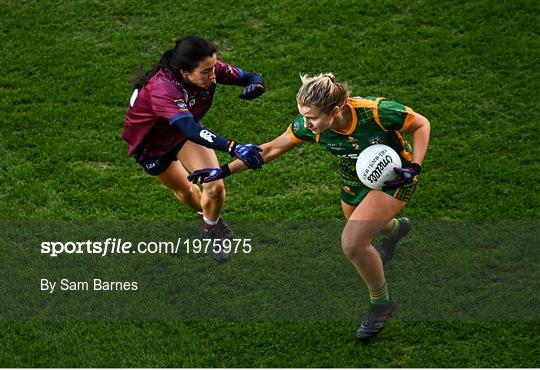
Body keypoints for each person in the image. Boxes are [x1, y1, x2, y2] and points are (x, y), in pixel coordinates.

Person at [188, 73, 431, 340]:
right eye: (303, 115)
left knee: (353, 242)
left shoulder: (375, 113)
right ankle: (396, 230)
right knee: (363, 227)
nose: (306, 123)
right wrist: (221, 172)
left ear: (335, 110)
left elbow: (420, 124)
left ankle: (381, 303)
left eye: (312, 117)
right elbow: (267, 151)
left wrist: (414, 166)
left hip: (396, 177)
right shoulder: (308, 126)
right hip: (355, 178)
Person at [122, 36, 265, 262]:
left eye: (213, 68)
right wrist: (233, 147)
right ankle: (206, 216)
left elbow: (248, 77)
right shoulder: (162, 89)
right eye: (207, 72)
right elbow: (190, 128)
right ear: (186, 73)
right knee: (188, 192)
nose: (214, 75)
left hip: (180, 133)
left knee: (215, 186)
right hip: (151, 145)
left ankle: (211, 229)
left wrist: (257, 84)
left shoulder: (209, 69)